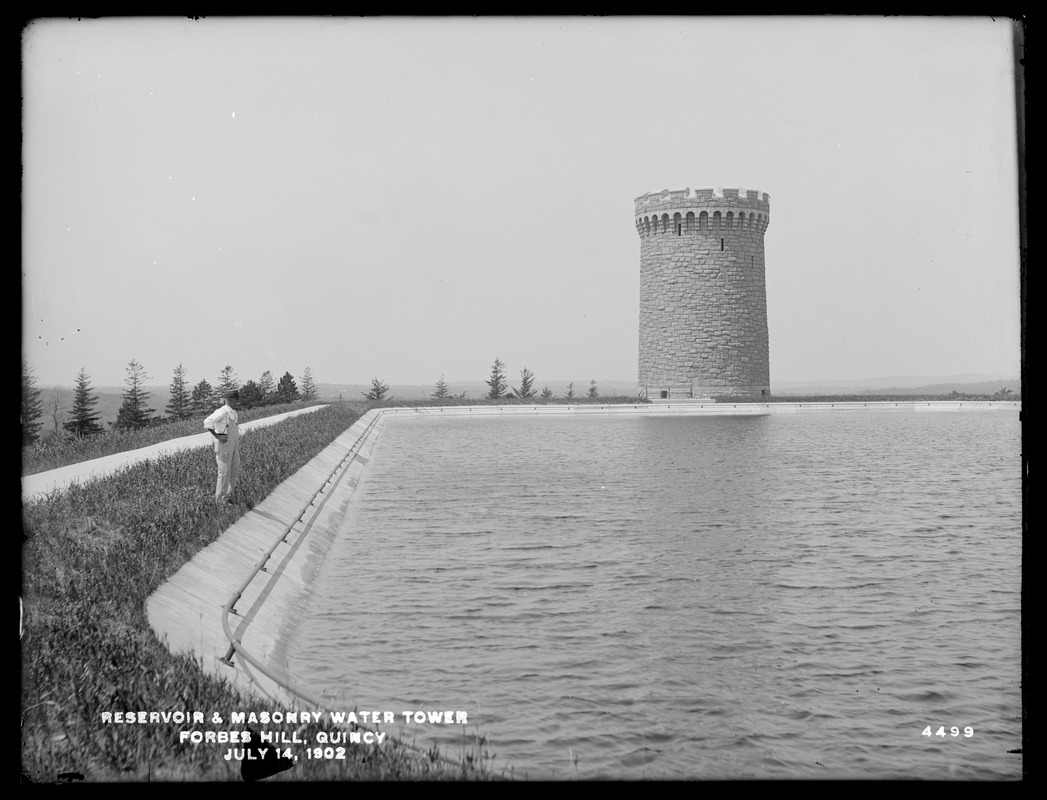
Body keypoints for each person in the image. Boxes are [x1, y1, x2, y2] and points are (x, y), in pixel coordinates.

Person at [204, 388, 243, 503]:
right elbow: (207, 422)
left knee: (234, 470)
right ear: (230, 400)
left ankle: (230, 496)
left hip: (233, 445)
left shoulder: (233, 412)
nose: (237, 402)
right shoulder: (222, 412)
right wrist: (217, 436)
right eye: (236, 399)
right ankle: (221, 500)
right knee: (224, 472)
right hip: (224, 446)